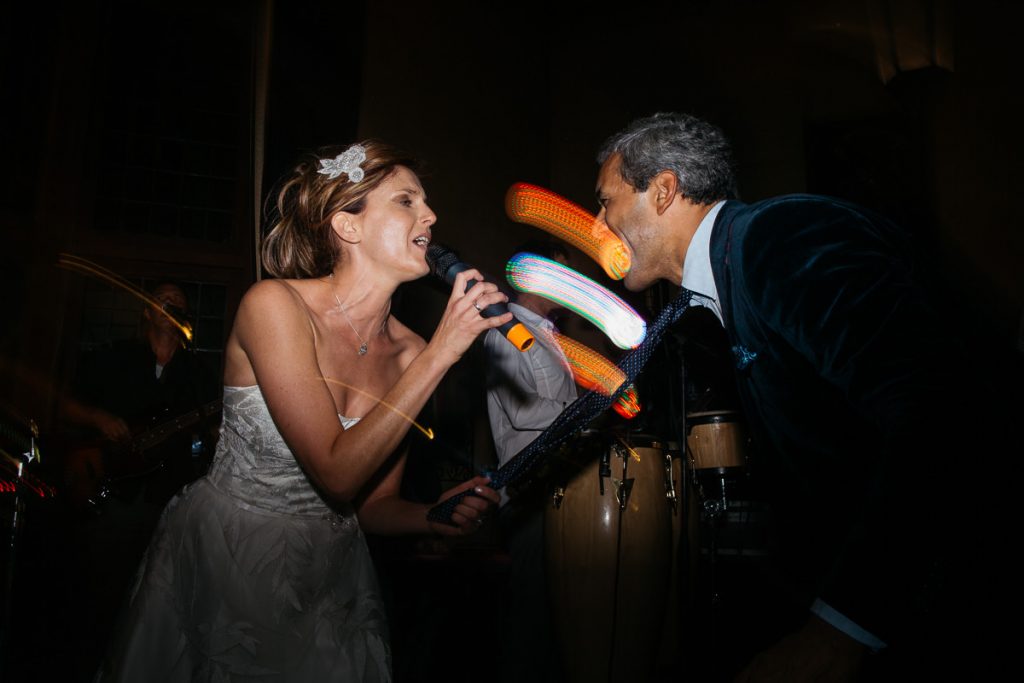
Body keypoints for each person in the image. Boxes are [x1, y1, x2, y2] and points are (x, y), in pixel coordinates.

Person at [592, 112, 992, 681]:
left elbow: (937, 416)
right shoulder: (721, 281)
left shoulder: (780, 237)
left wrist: (842, 630)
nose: (598, 221)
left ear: (663, 190)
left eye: (607, 201)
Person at [95, 140, 502, 682]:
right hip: (228, 556)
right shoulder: (274, 306)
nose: (430, 215)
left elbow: (372, 504)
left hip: (328, 576)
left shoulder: (412, 351)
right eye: (406, 201)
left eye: (425, 204)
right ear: (347, 226)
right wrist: (445, 352)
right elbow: (336, 472)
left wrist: (430, 514)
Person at [57, 280, 221, 679]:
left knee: (155, 606)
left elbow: (216, 431)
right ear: (147, 311)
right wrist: (98, 419)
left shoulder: (199, 373)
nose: (174, 307)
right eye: (165, 301)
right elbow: (64, 406)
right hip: (111, 495)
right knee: (101, 596)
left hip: (170, 502)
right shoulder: (114, 358)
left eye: (181, 304)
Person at [483, 238, 575, 683]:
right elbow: (521, 411)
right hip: (527, 499)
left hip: (557, 496)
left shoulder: (549, 336)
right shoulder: (505, 328)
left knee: (556, 627)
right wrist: (586, 415)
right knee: (530, 626)